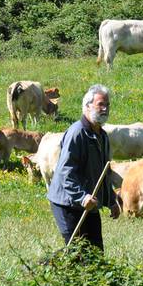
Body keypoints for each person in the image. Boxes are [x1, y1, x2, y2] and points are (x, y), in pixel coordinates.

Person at [47, 84, 120, 251]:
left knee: (95, 253)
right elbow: (66, 172)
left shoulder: (102, 136)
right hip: (68, 203)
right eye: (100, 104)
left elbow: (103, 172)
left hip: (88, 202)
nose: (105, 109)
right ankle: (46, 272)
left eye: (107, 105)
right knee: (77, 252)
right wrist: (81, 197)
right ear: (87, 106)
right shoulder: (77, 133)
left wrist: (111, 201)